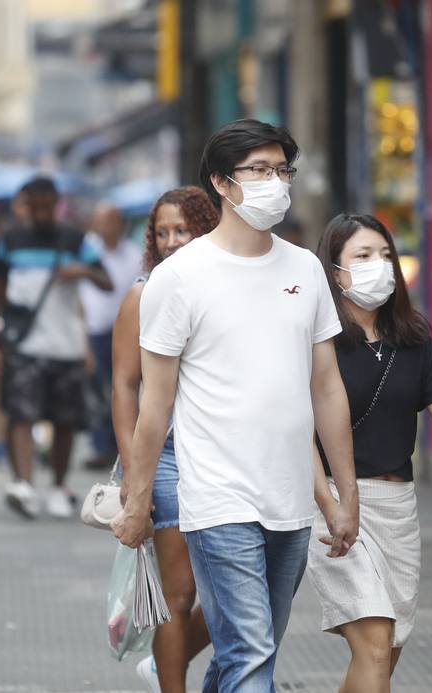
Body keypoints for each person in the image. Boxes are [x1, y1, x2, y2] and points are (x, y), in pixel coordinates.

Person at [111, 119, 360, 693]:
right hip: (217, 498)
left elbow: (326, 388)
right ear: (222, 183)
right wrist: (138, 499)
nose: (276, 182)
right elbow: (155, 405)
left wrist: (345, 496)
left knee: (245, 650)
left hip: (290, 497)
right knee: (251, 651)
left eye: (282, 170)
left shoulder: (304, 269)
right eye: (260, 171)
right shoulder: (179, 278)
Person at [307, 213, 432, 693]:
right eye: (363, 256)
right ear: (335, 272)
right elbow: (297, 434)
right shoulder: (317, 340)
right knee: (374, 646)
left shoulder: (412, 336)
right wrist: (330, 505)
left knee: (382, 656)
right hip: (333, 505)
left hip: (398, 511)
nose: (380, 265)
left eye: (385, 254)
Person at [111, 187, 217, 692]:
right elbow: (123, 386)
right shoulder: (142, 293)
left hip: (225, 454)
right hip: (169, 456)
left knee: (236, 593)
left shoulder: (228, 286)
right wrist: (137, 476)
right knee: (179, 592)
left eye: (184, 229)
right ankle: (170, 680)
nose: (173, 241)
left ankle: (162, 664)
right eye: (163, 231)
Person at [0, 176, 113, 519]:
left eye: (47, 205)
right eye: (35, 205)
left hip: (66, 346)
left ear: (57, 204)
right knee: (21, 415)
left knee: (65, 422)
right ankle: (24, 485)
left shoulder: (74, 238)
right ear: (24, 203)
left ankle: (58, 485)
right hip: (23, 346)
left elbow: (107, 282)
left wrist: (82, 270)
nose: (41, 213)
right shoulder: (8, 239)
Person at [79, 202, 142, 470]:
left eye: (113, 220)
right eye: (102, 220)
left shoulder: (134, 253)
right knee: (98, 392)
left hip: (125, 331)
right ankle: (101, 447)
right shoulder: (86, 250)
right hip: (93, 333)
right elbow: (76, 299)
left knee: (124, 386)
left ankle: (124, 446)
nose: (108, 227)